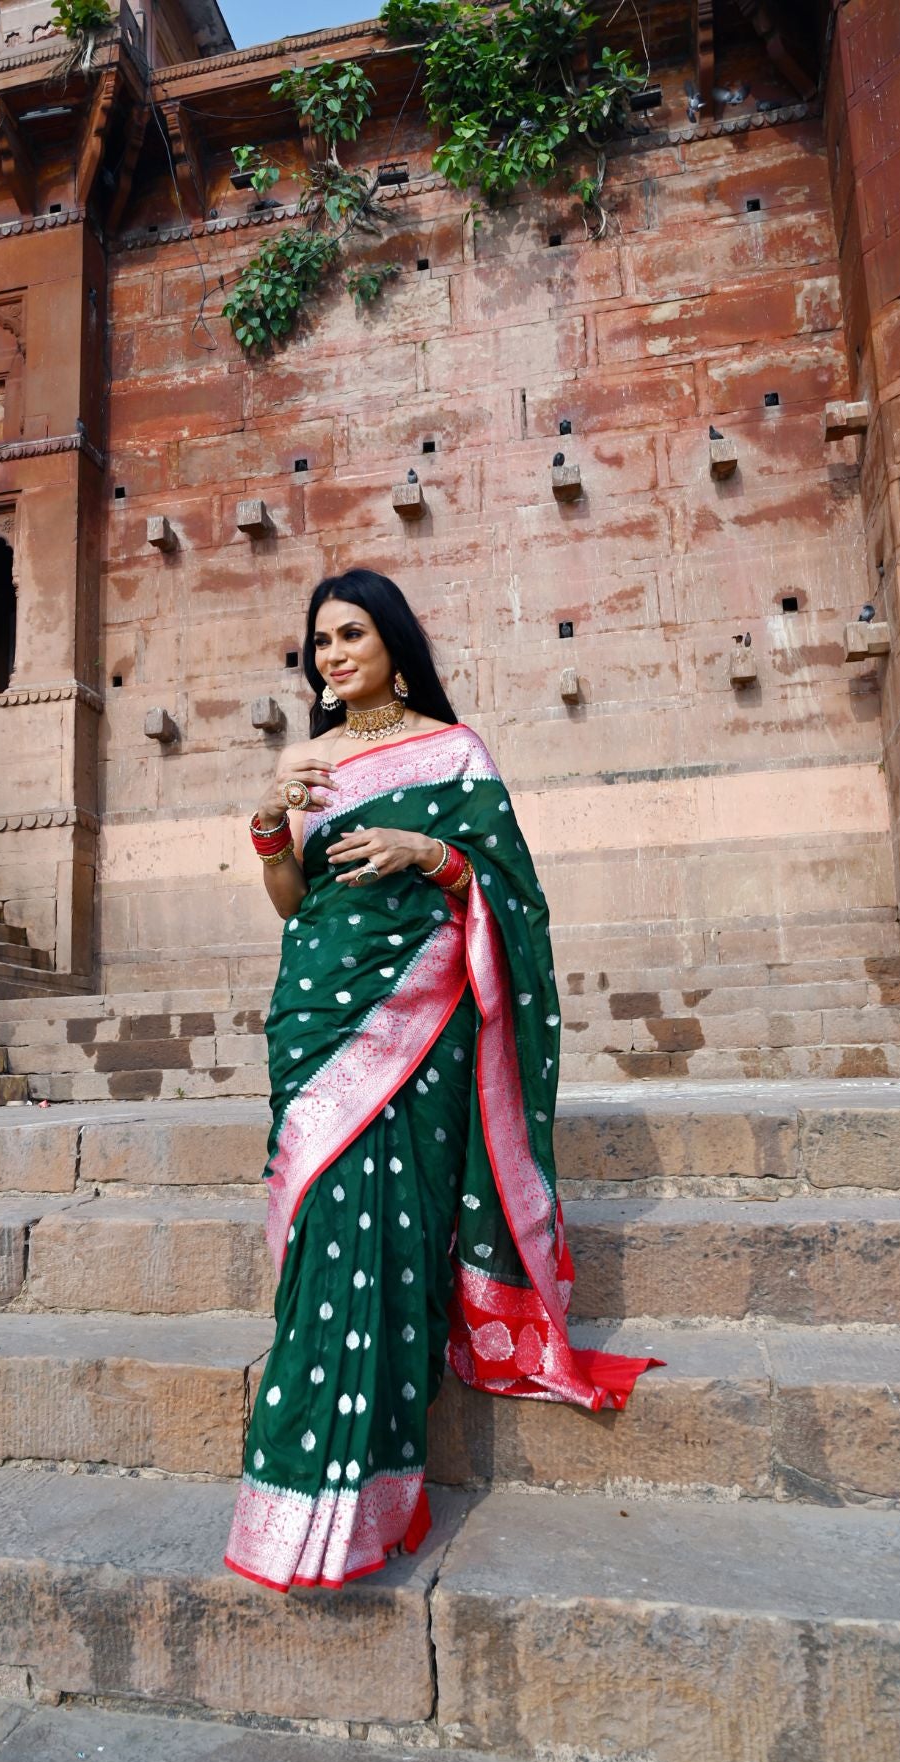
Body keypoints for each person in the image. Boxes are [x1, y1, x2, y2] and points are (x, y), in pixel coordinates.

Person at [224, 569, 664, 1592]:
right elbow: (291, 899)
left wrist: (429, 850)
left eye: (351, 634)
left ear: (393, 645)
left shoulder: (455, 751)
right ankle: (307, 1492)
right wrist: (266, 821)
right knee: (327, 1229)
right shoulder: (309, 760)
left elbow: (510, 892)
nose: (333, 655)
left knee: (391, 1231)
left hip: (423, 1016)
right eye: (320, 641)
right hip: (318, 1008)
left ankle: (366, 1487)